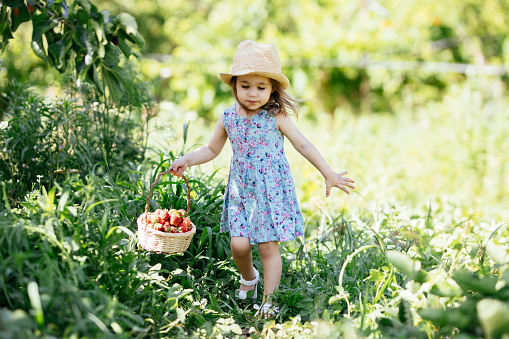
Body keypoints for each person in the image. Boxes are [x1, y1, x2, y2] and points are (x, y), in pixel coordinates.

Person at [169, 40, 355, 317]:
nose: (252, 94)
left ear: (272, 89)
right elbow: (211, 149)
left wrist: (328, 173)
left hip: (271, 190)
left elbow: (302, 145)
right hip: (240, 191)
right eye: (245, 86)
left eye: (261, 87)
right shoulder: (228, 117)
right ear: (234, 86)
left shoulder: (275, 116)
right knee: (239, 245)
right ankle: (249, 278)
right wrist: (187, 159)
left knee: (268, 247)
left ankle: (270, 300)